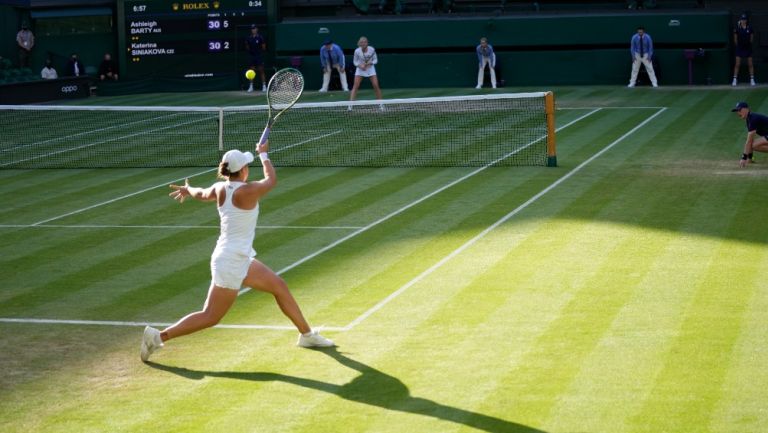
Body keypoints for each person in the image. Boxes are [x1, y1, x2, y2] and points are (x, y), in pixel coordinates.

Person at [140, 143, 334, 361]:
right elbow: (271, 180)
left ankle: (306, 335)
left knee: (279, 286)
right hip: (232, 261)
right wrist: (264, 154)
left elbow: (201, 193)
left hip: (236, 257)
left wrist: (188, 189)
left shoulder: (219, 188)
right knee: (211, 316)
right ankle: (157, 337)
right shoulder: (248, 191)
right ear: (243, 170)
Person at [349, 36, 383, 110]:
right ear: (359, 44)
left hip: (370, 69)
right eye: (361, 42)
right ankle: (350, 106)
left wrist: (370, 63)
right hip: (360, 69)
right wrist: (360, 66)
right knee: (356, 86)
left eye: (365, 42)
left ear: (367, 43)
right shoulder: (357, 51)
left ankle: (380, 104)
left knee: (375, 85)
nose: (363, 44)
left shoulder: (372, 50)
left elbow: (376, 60)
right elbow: (355, 62)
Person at [732, 101, 768, 168]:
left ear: (747, 109)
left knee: (753, 145)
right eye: (737, 111)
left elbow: (749, 142)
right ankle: (750, 159)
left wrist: (743, 158)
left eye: (739, 110)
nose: (738, 113)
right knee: (752, 143)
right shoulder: (749, 119)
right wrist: (749, 159)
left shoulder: (752, 119)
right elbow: (750, 140)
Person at [732, 14, 756, 87]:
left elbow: (751, 39)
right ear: (740, 20)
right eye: (742, 19)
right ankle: (734, 80)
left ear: (746, 20)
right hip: (740, 48)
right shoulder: (737, 28)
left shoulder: (750, 28)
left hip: (748, 48)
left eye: (745, 19)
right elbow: (735, 39)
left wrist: (747, 45)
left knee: (750, 64)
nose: (743, 21)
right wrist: (739, 46)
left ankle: (752, 80)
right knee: (737, 64)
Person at [245, 25, 267, 93]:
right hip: (252, 56)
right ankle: (251, 86)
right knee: (251, 71)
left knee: (261, 71)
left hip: (259, 56)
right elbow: (247, 47)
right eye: (252, 29)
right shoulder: (249, 38)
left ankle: (264, 86)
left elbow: (264, 47)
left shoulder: (260, 37)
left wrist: (259, 52)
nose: (253, 30)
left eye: (254, 29)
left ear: (257, 29)